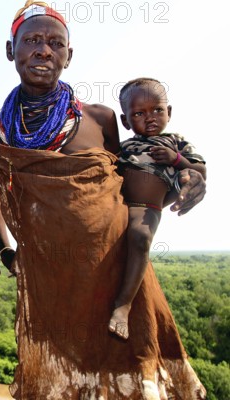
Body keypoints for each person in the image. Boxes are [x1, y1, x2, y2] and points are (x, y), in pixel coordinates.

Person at [0, 1, 207, 398]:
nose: (44, 50)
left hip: (120, 279)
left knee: (132, 381)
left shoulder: (100, 119)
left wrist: (189, 177)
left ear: (69, 54)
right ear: (10, 50)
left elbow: (133, 181)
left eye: (56, 42)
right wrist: (4, 248)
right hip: (52, 286)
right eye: (31, 40)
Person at [109, 78, 207, 340]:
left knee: (140, 238)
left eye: (157, 110)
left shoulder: (176, 141)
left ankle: (123, 305)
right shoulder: (124, 147)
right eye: (139, 113)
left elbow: (200, 170)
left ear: (169, 112)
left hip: (146, 207)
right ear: (126, 121)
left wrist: (176, 159)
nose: (150, 118)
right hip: (117, 205)